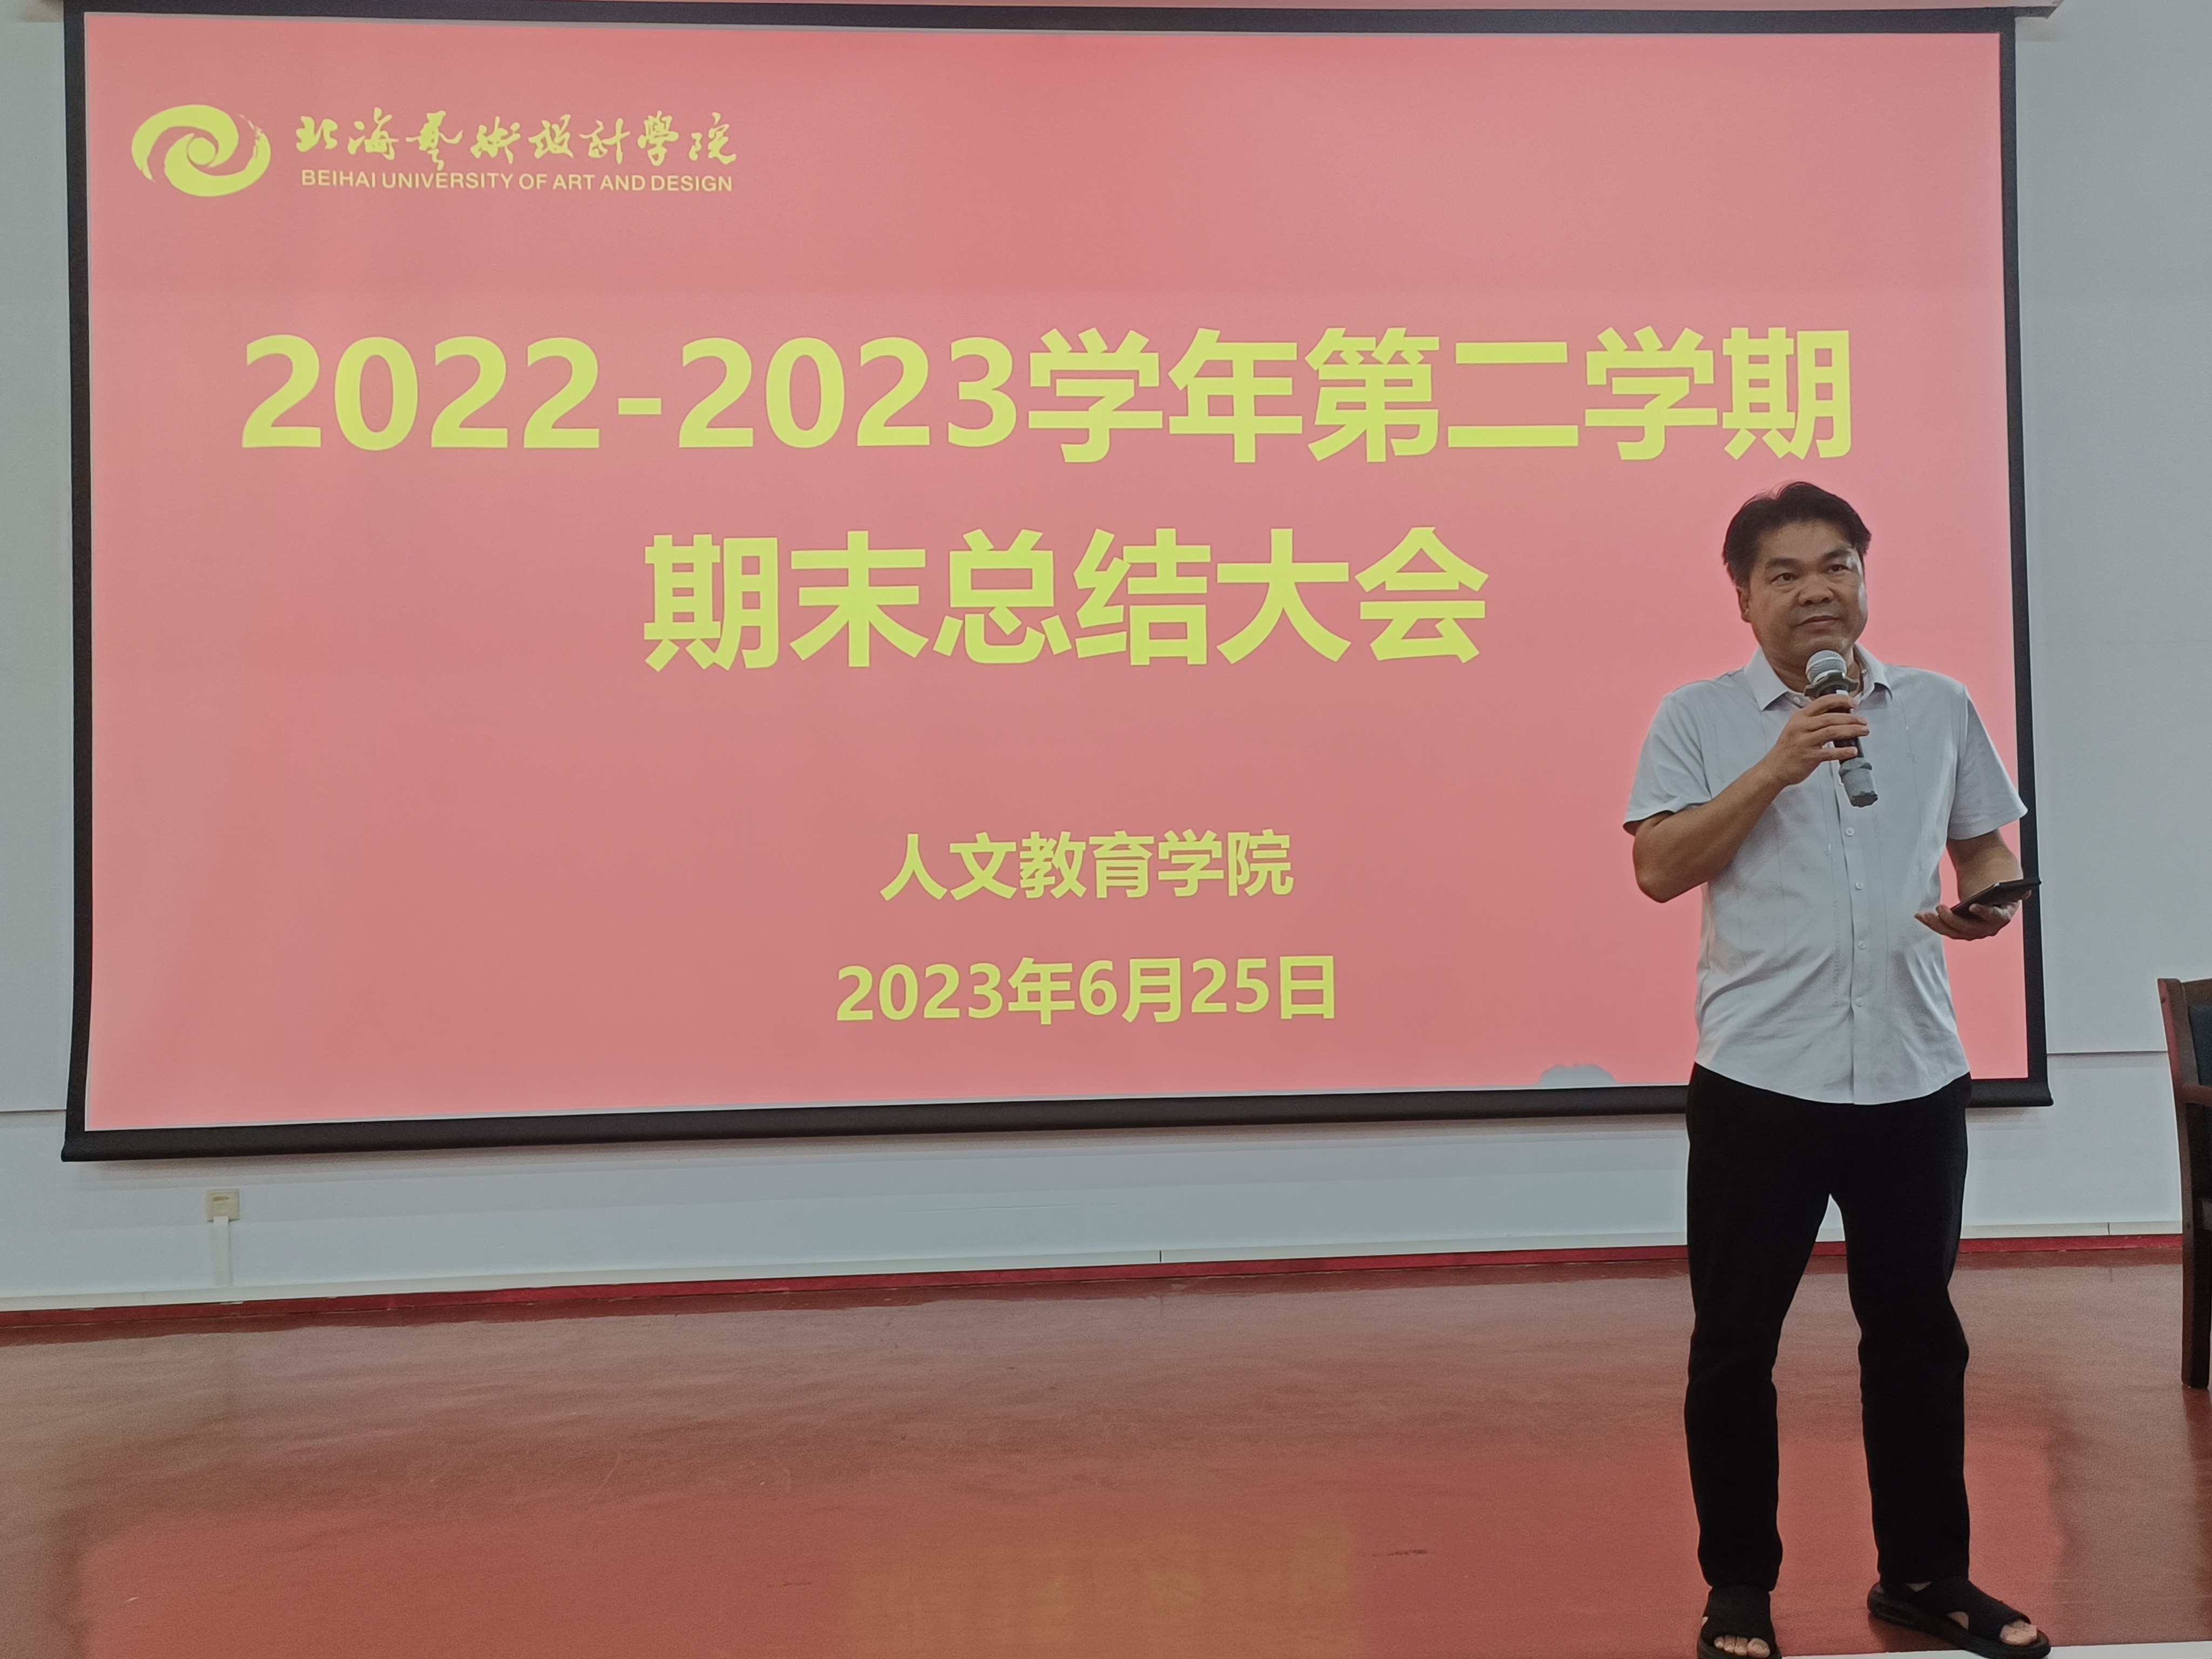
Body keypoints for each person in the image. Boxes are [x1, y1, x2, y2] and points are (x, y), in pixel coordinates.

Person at [1623, 483, 2049, 1659]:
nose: (1816, 591)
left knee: (1916, 1337)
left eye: (1837, 567)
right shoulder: (1698, 718)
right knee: (1735, 1343)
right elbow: (1659, 867)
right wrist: (1776, 766)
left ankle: (1923, 1575)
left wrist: (1991, 898)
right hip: (1761, 1079)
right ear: (1742, 596)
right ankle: (1737, 1589)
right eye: (1785, 573)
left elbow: (1980, 842)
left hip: (1912, 1072)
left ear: (1863, 578)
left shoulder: (1937, 705)